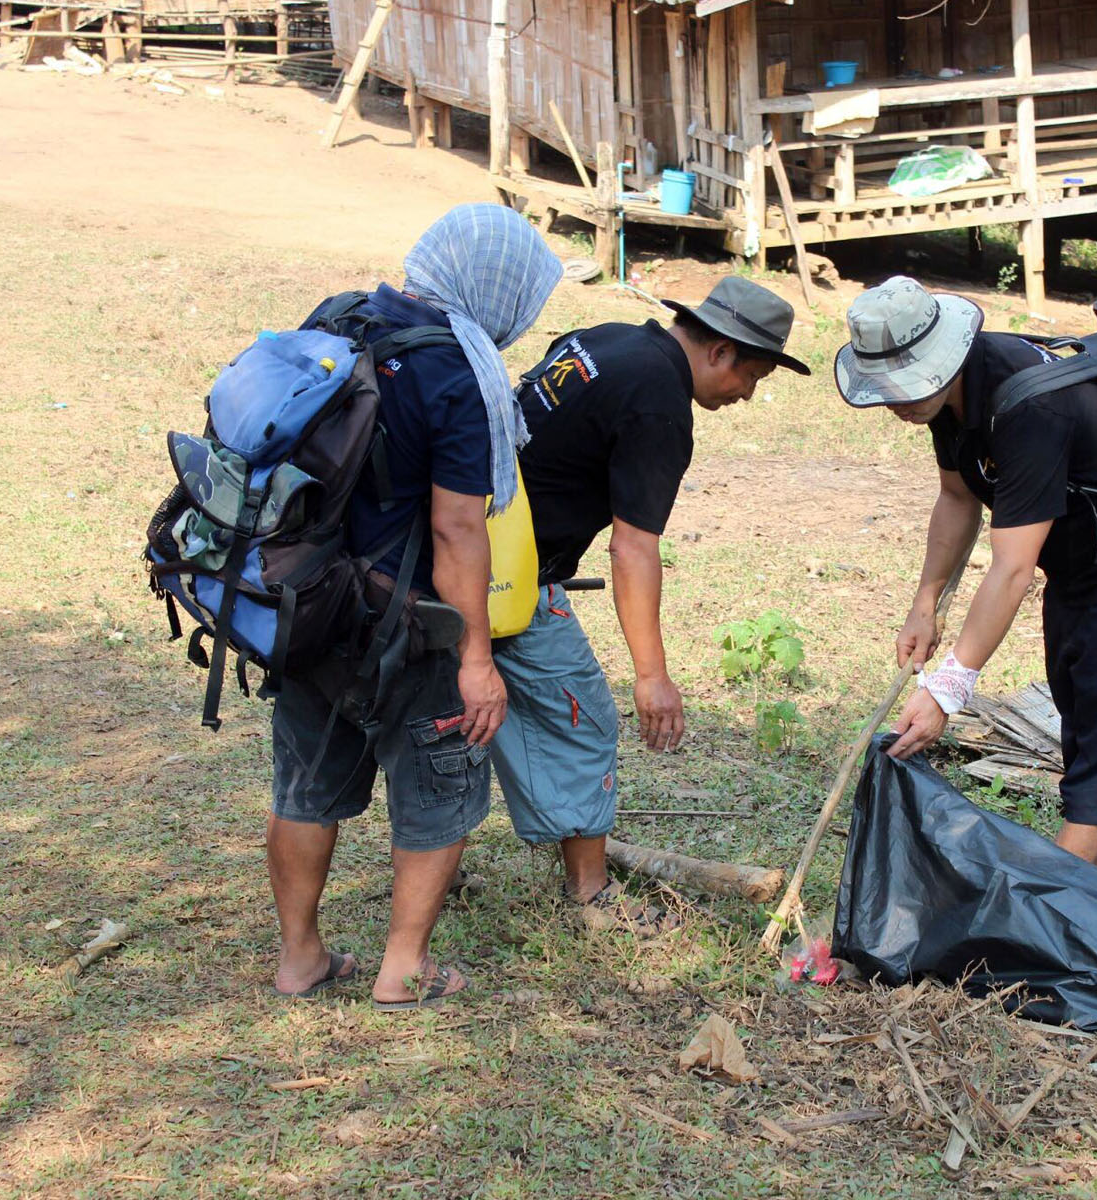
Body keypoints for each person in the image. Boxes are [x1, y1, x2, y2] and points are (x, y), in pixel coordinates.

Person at [267, 204, 561, 1007]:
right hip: (406, 620)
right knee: (440, 788)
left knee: (305, 784)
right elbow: (459, 524)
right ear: (495, 289)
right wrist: (476, 660)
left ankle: (300, 959)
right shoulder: (455, 370)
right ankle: (405, 968)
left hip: (308, 600)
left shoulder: (340, 318)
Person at [835, 276, 1097, 871]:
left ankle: (1048, 924)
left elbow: (1011, 566)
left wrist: (949, 687)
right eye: (887, 387)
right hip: (1078, 567)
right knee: (1086, 740)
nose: (898, 402)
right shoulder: (948, 396)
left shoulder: (1027, 402)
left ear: (947, 355)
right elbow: (958, 495)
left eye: (910, 383)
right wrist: (926, 601)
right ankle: (1084, 916)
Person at [492, 277, 809, 931]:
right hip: (509, 580)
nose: (747, 395)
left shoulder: (603, 340)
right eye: (750, 375)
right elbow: (632, 548)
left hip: (465, 547)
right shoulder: (660, 403)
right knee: (584, 725)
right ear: (720, 350)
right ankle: (592, 897)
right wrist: (651, 675)